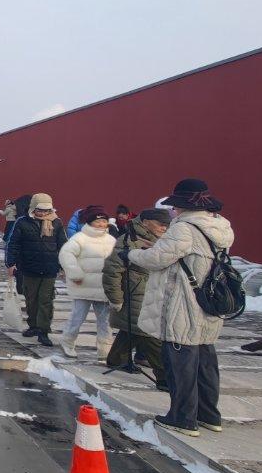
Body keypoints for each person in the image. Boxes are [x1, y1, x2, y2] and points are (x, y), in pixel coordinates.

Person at [130, 178, 235, 437]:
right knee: (205, 361)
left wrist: (131, 255)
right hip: (209, 302)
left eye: (175, 206)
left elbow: (156, 259)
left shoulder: (184, 229)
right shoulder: (221, 227)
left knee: (180, 362)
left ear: (184, 206)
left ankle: (182, 417)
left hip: (183, 302)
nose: (173, 211)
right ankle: (209, 414)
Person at [102, 207, 171, 388]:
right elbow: (112, 271)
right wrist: (115, 298)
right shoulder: (128, 241)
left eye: (167, 225)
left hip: (155, 292)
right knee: (150, 334)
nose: (164, 228)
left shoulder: (162, 241)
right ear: (146, 222)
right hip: (136, 293)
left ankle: (116, 359)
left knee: (131, 329)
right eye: (160, 224)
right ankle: (165, 378)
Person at [4, 193, 66, 347]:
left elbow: (64, 246)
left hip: (49, 268)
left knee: (46, 300)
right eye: (40, 210)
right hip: (28, 268)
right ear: (33, 208)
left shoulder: (56, 223)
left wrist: (65, 266)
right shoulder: (22, 222)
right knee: (31, 299)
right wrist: (10, 263)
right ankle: (33, 325)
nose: (43, 213)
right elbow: (13, 244)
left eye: (46, 210)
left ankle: (43, 331)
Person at [57, 205, 115, 360]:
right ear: (89, 222)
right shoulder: (79, 238)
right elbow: (66, 254)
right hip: (83, 285)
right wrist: (75, 273)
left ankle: (105, 350)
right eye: (98, 221)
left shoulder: (111, 240)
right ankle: (67, 342)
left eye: (104, 221)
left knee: (106, 322)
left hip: (104, 288)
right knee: (77, 317)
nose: (102, 224)